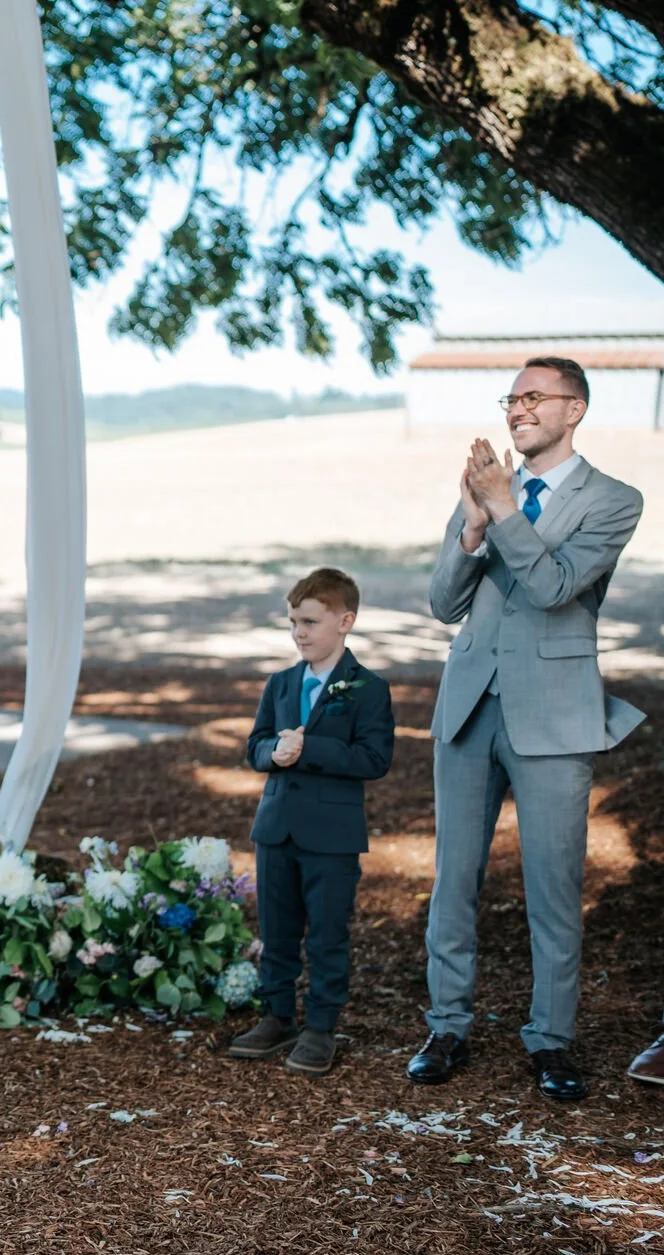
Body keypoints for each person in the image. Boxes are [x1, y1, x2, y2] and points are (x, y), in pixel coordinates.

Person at [410, 356, 645, 1102]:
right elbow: (444, 603)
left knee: (553, 886)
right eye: (512, 397)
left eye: (534, 396)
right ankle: (446, 1024)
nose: (518, 409)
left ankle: (551, 1038)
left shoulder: (615, 499)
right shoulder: (489, 489)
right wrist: (474, 525)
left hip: (556, 716)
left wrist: (505, 508)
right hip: (469, 706)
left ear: (574, 409)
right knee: (453, 881)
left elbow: (549, 588)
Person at [227, 568, 394, 1077]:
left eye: (310, 622)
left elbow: (374, 759)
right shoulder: (281, 684)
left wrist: (310, 748)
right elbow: (254, 744)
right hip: (275, 828)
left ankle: (321, 1025)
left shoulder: (367, 688)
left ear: (345, 621)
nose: (299, 632)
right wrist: (270, 753)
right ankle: (277, 1015)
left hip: (331, 835)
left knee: (325, 933)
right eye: (293, 622)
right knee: (276, 931)